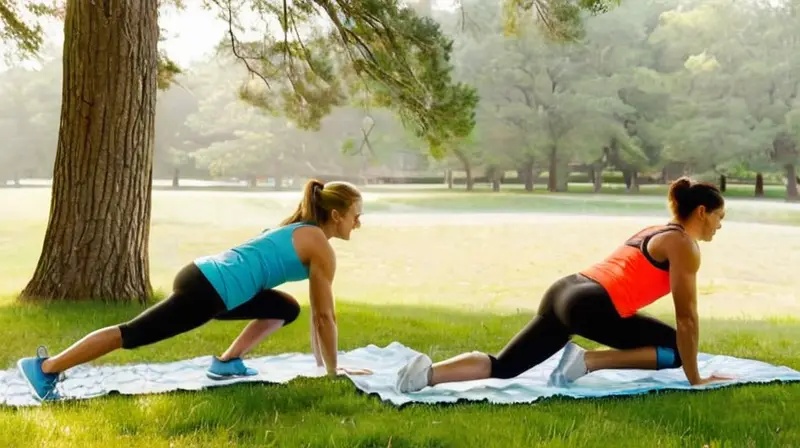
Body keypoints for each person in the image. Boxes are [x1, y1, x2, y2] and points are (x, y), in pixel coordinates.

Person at [18, 179, 370, 402]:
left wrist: (326, 365)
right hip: (208, 290)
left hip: (211, 281)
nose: (359, 222)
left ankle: (227, 363)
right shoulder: (319, 246)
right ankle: (46, 368)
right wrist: (333, 371)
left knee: (285, 307)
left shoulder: (303, 231)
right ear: (335, 215)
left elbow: (318, 315)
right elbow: (324, 317)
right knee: (132, 334)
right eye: (356, 215)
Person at [395, 176, 732, 393]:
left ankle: (424, 374)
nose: (720, 225)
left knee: (505, 366)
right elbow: (686, 318)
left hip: (565, 291)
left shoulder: (656, 231)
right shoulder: (683, 245)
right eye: (719, 217)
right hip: (591, 304)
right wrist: (696, 378)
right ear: (702, 211)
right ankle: (586, 362)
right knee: (676, 349)